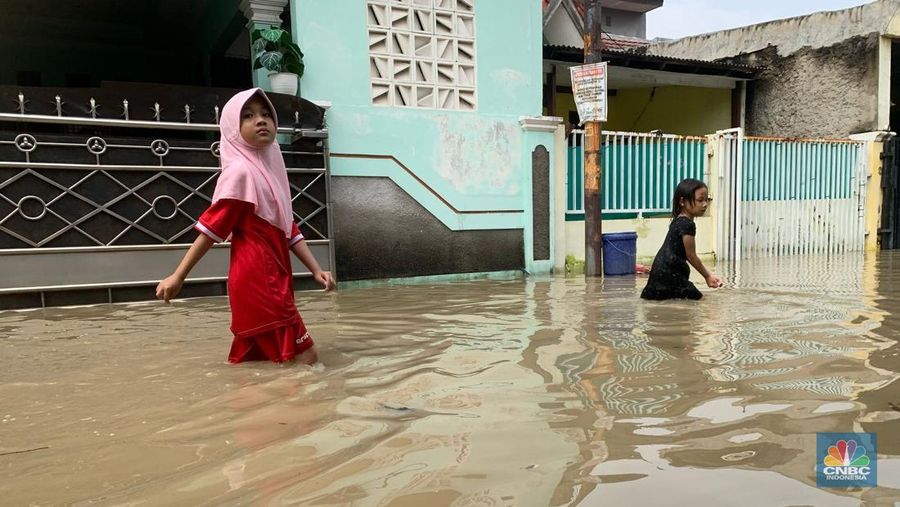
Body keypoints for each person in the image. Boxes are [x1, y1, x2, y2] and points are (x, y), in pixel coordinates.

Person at [155, 88, 334, 364]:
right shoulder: (240, 173)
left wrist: (316, 270)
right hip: (261, 282)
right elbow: (211, 230)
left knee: (254, 362)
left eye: (265, 114)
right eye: (248, 116)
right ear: (232, 129)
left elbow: (288, 228)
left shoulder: (272, 172)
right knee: (307, 358)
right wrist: (178, 276)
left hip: (271, 278)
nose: (260, 120)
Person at [640, 178, 723, 300]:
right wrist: (708, 276)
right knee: (704, 303)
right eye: (700, 200)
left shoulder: (678, 220)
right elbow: (691, 256)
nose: (705, 204)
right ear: (682, 201)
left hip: (660, 273)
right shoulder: (687, 224)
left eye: (706, 200)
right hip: (670, 275)